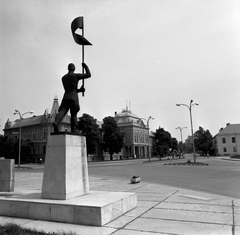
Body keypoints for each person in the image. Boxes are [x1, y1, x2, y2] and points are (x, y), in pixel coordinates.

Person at [53, 62, 91, 133]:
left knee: (63, 111)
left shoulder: (63, 78)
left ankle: (56, 122)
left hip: (66, 96)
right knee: (73, 113)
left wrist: (79, 90)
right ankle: (74, 130)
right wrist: (85, 66)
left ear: (68, 68)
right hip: (74, 97)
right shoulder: (75, 76)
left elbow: (70, 88)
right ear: (74, 69)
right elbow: (88, 75)